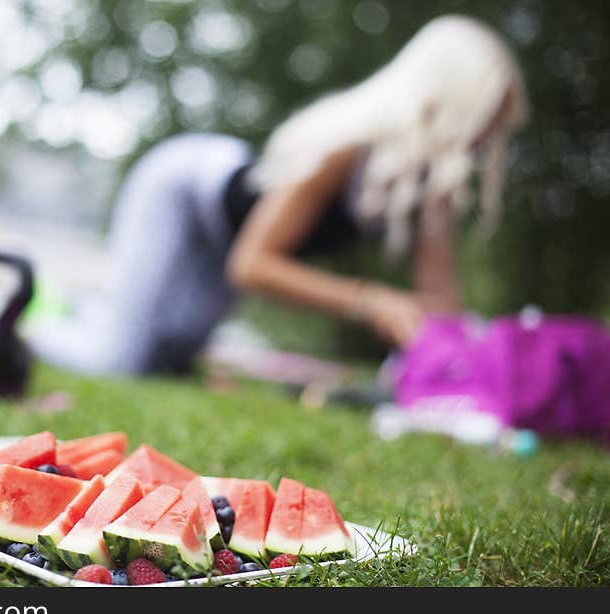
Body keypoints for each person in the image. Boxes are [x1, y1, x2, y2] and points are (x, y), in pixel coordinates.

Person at [27, 15, 530, 376]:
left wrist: (468, 366)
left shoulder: (425, 188)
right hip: (181, 188)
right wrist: (371, 301)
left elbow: (441, 301)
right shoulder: (345, 148)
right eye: (484, 119)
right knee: (125, 361)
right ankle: (38, 322)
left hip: (225, 233)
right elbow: (251, 266)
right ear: (451, 98)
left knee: (171, 358)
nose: (486, 139)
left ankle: (87, 312)